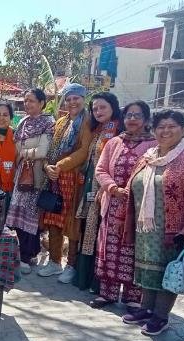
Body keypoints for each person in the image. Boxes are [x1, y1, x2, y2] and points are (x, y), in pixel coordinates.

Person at [121, 110, 184, 335]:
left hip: (172, 228)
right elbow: (134, 183)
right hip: (145, 226)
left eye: (172, 126)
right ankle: (146, 309)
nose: (166, 131)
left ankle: (161, 316)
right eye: (161, 127)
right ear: (154, 130)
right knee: (147, 268)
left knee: (167, 271)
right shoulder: (148, 155)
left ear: (182, 129)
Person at [90, 101, 156, 309]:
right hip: (113, 203)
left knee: (132, 248)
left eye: (137, 115)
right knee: (108, 248)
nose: (132, 119)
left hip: (138, 207)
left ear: (146, 119)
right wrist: (112, 188)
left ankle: (133, 297)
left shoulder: (154, 145)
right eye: (128, 115)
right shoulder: (114, 142)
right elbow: (100, 169)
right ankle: (107, 293)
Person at [37, 83, 93, 282]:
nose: (72, 102)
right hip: (55, 177)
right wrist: (48, 167)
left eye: (75, 98)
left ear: (83, 99)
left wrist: (59, 165)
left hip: (74, 178)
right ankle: (54, 262)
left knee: (72, 222)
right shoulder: (61, 121)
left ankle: (71, 265)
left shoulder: (88, 121)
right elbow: (51, 148)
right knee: (53, 219)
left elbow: (83, 151)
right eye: (68, 99)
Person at [74, 92, 123, 292]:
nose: (98, 111)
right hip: (90, 186)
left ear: (113, 107)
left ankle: (99, 283)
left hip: (108, 190)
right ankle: (84, 278)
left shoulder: (119, 131)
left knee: (101, 233)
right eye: (94, 109)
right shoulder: (97, 130)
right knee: (88, 230)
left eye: (102, 107)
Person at [5, 89, 54, 274]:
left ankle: (28, 255)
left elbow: (43, 151)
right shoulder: (24, 122)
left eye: (31, 101)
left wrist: (26, 151)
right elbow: (17, 146)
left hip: (37, 176)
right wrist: (29, 149)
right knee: (18, 215)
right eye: (25, 101)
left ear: (42, 103)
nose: (27, 104)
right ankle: (20, 253)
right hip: (21, 174)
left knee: (31, 215)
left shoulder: (48, 123)